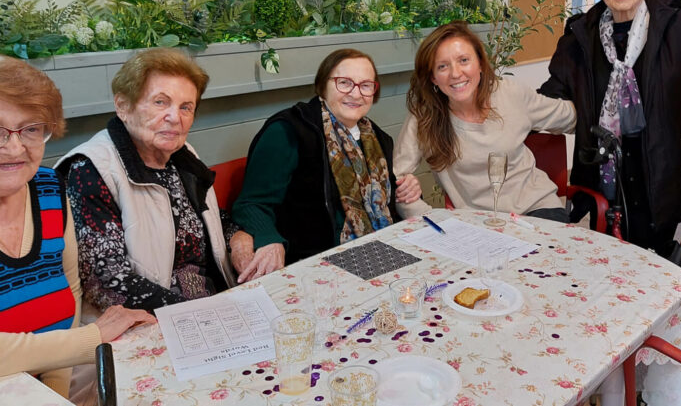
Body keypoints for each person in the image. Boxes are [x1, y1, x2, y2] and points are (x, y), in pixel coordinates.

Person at [539, 0, 681, 252]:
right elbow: (554, 93)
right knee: (604, 254)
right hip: (604, 164)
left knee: (655, 254)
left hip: (662, 162)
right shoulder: (580, 34)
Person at [0, 57, 154, 398]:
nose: (14, 147)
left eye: (31, 129)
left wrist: (57, 390)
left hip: (55, 377)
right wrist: (91, 339)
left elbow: (69, 292)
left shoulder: (49, 189)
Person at [56, 48, 252, 313]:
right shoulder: (90, 169)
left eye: (186, 107)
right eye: (161, 102)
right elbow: (106, 282)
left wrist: (237, 236)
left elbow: (207, 219)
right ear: (123, 106)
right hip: (146, 322)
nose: (175, 117)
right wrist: (197, 314)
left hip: (208, 304)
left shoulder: (182, 155)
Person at [231, 49, 421, 281]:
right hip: (315, 265)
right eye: (344, 83)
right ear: (323, 85)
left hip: (379, 253)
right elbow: (252, 203)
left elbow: (388, 200)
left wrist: (408, 185)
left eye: (365, 85)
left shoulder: (379, 139)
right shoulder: (288, 131)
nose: (356, 93)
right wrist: (269, 240)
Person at [394, 21, 577, 220]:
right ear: (433, 77)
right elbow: (399, 180)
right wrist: (429, 219)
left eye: (464, 60)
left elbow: (571, 117)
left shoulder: (510, 93)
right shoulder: (425, 116)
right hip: (478, 222)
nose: (456, 73)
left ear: (480, 63)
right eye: (442, 66)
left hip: (538, 208)